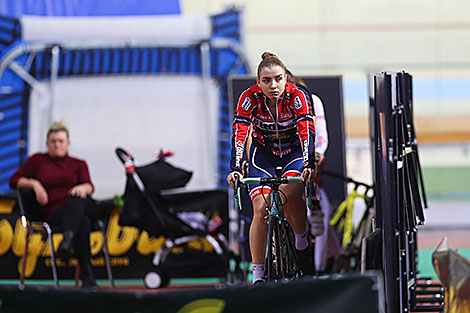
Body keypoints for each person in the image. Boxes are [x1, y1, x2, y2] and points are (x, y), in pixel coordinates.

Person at [227, 52, 316, 283]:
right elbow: (240, 134)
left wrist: (308, 164)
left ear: (286, 78)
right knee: (260, 208)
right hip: (263, 155)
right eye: (266, 80)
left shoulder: (299, 96)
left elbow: (307, 131)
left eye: (278, 78)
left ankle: (301, 241)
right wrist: (235, 167)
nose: (273, 85)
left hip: (294, 153)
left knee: (289, 196)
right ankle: (257, 276)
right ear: (258, 83)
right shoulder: (249, 98)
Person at [9, 121, 100, 289]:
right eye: (53, 141)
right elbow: (14, 181)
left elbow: (89, 186)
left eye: (61, 141)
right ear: (47, 143)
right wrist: (34, 184)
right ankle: (88, 278)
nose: (57, 144)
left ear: (68, 143)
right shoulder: (37, 161)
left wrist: (82, 187)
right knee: (84, 222)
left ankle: (67, 240)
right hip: (55, 212)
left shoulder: (78, 163)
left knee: (78, 199)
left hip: (79, 203)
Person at [286, 71, 342, 273]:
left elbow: (320, 139)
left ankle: (320, 266)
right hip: (280, 168)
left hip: (305, 171)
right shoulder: (266, 107)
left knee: (319, 211)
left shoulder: (311, 102)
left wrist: (316, 157)